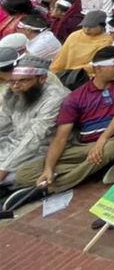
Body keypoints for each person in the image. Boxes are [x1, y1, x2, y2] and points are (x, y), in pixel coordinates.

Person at [11, 46, 114, 196]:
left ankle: (51, 188)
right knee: (23, 174)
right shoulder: (75, 97)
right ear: (97, 69)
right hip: (83, 146)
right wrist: (49, 169)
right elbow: (61, 137)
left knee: (113, 147)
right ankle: (99, 168)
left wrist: (102, 141)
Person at [0, 56, 69, 191]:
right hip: (14, 142)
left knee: (10, 177)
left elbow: (34, 137)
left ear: (42, 79)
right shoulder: (14, 92)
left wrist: (3, 169)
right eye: (12, 81)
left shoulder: (54, 98)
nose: (16, 86)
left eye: (23, 80)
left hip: (42, 148)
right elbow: (3, 121)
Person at [50, 10, 114, 75]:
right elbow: (62, 57)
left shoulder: (107, 40)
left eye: (91, 27)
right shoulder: (75, 35)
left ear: (102, 26)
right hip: (66, 72)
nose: (87, 30)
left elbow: (97, 64)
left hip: (86, 75)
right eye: (85, 26)